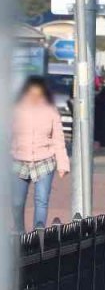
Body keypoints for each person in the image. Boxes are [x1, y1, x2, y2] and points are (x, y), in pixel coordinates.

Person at [12, 76, 70, 231]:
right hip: (19, 161)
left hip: (44, 160)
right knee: (17, 202)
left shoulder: (50, 111)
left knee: (41, 200)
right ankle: (19, 233)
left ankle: (38, 236)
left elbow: (58, 139)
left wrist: (63, 164)